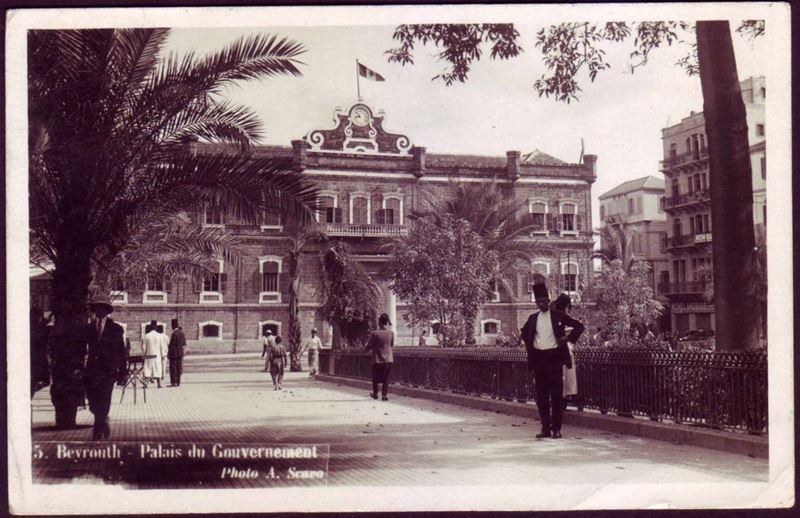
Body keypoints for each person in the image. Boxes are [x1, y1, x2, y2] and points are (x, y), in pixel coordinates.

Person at [520, 283, 584, 439]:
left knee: (556, 396)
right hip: (539, 360)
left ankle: (556, 429)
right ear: (535, 303)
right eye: (538, 302)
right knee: (541, 397)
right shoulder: (533, 318)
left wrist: (567, 339)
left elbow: (579, 326)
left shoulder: (558, 316)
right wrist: (531, 346)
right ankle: (545, 428)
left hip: (554, 359)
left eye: (543, 301)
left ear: (548, 301)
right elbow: (523, 332)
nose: (541, 304)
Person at [84, 295, 126, 440]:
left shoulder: (116, 329)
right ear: (94, 310)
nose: (99, 311)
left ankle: (97, 431)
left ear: (107, 311)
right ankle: (103, 421)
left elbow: (121, 351)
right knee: (93, 403)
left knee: (104, 400)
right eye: (97, 308)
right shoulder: (88, 329)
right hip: (91, 371)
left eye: (102, 308)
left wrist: (122, 372)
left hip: (108, 371)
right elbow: (82, 349)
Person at [551, 293, 578, 409]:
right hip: (560, 349)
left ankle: (560, 400)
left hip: (556, 348)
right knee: (564, 375)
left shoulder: (554, 312)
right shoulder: (559, 314)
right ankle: (563, 399)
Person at [364, 313, 394, 401]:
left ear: (379, 322)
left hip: (377, 359)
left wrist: (365, 351)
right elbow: (391, 345)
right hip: (389, 359)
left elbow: (369, 346)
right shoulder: (391, 333)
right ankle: (384, 395)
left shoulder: (375, 333)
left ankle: (375, 393)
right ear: (387, 323)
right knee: (386, 378)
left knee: (375, 378)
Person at [142, 320, 164, 387]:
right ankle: (159, 384)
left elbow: (144, 347)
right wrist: (163, 354)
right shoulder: (160, 336)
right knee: (158, 367)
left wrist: (144, 354)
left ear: (150, 327)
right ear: (156, 327)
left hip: (149, 354)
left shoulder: (146, 336)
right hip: (157, 355)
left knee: (148, 367)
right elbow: (162, 346)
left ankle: (146, 383)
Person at [168, 319, 186, 386]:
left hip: (174, 354)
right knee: (179, 368)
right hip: (180, 353)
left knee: (173, 368)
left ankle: (173, 382)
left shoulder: (174, 334)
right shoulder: (181, 333)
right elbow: (184, 344)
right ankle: (178, 382)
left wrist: (169, 353)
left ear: (172, 326)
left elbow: (172, 345)